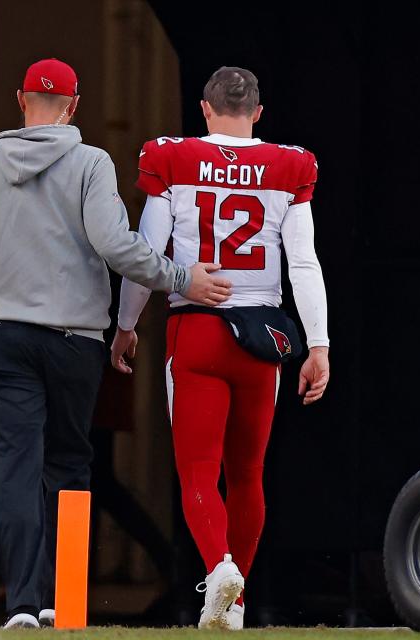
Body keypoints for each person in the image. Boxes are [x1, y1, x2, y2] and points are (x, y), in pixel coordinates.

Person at [0, 58, 232, 629]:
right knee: (70, 463)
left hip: (4, 337)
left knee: (15, 470)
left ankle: (22, 605)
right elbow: (115, 245)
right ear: (74, 106)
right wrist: (180, 278)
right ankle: (66, 602)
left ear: (19, 100)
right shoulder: (91, 164)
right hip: (75, 341)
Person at [111, 66, 330, 630]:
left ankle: (220, 568)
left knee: (198, 473)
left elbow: (147, 249)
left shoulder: (175, 158)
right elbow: (304, 262)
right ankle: (233, 606)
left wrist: (127, 323)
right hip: (264, 336)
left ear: (204, 110)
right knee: (249, 474)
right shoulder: (288, 165)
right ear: (258, 112)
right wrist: (320, 344)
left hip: (200, 327)